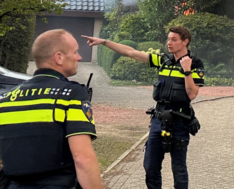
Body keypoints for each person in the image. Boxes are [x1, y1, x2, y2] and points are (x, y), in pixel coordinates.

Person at [83, 26, 204, 189]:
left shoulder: (195, 64)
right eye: (169, 39)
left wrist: (187, 70)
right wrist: (104, 42)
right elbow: (131, 52)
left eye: (174, 40)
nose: (169, 43)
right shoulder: (163, 61)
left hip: (180, 122)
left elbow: (192, 94)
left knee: (178, 169)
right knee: (150, 166)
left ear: (185, 41)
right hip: (158, 120)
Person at [0, 29, 103, 189]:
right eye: (75, 52)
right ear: (59, 57)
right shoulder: (71, 94)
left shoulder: (6, 100)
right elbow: (82, 158)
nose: (79, 57)